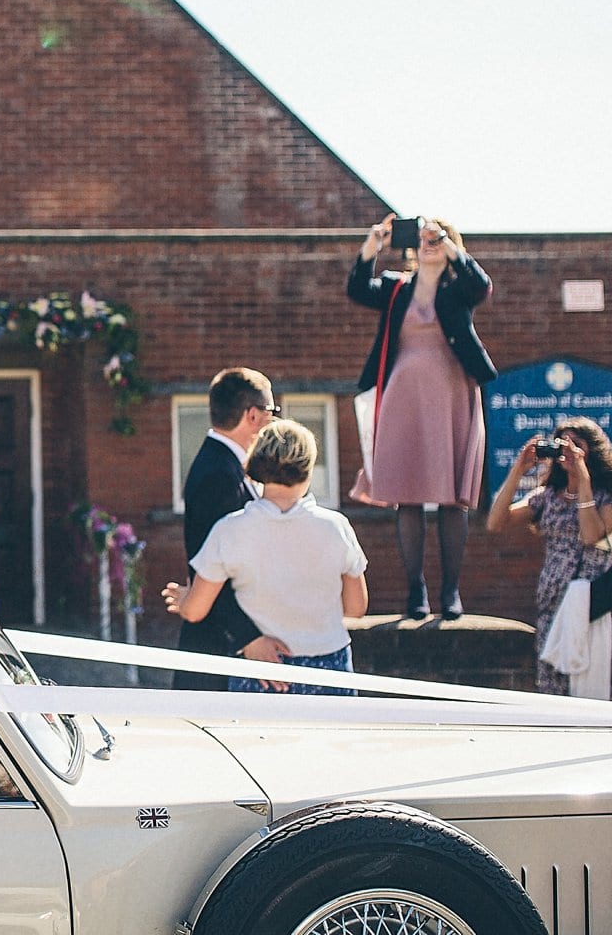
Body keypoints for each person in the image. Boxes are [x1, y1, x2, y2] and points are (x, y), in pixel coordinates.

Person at [349, 213, 497, 620]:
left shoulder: (459, 288)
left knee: (452, 499)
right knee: (408, 496)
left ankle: (451, 590)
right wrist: (373, 245)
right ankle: (416, 590)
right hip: (403, 397)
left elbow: (482, 287)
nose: (430, 243)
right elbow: (358, 289)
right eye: (426, 238)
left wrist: (447, 244)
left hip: (451, 394)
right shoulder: (397, 287)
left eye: (439, 238)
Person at [163, 420, 369, 695]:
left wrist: (188, 599)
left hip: (261, 672)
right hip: (330, 668)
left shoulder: (230, 529)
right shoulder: (337, 526)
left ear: (257, 466)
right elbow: (355, 607)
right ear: (308, 469)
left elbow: (195, 611)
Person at [486, 418, 612, 699]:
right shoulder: (548, 497)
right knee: (553, 696)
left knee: (594, 697)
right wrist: (519, 469)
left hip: (596, 608)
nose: (567, 452)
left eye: (576, 446)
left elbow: (590, 534)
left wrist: (582, 479)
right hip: (553, 608)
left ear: (592, 451)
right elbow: (496, 522)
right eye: (563, 445)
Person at [173, 368, 288, 691]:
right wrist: (249, 639)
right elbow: (217, 566)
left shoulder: (227, 466)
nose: (273, 421)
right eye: (272, 412)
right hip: (218, 647)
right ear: (253, 415)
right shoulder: (218, 475)